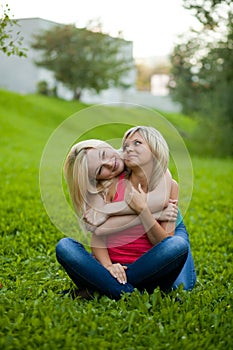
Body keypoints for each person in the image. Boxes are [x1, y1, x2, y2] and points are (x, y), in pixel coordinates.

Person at [56, 127, 195, 299]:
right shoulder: (107, 185)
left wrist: (134, 211)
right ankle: (128, 292)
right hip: (118, 264)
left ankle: (101, 288)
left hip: (150, 260)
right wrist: (108, 266)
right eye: (100, 170)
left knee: (177, 247)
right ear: (96, 178)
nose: (109, 163)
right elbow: (98, 232)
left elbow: (163, 236)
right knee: (65, 246)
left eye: (103, 155)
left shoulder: (160, 175)